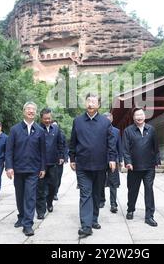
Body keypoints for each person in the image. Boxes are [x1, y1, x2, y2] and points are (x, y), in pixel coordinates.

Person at [69, 93, 117, 238]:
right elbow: (73, 141)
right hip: (82, 165)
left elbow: (111, 143)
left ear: (98, 105)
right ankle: (86, 226)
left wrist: (112, 159)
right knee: (85, 194)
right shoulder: (77, 121)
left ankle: (94, 219)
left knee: (96, 194)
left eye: (93, 101)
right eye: (88, 101)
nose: (90, 103)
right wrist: (72, 158)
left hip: (100, 165)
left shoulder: (105, 122)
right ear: (85, 103)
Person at [5, 102, 47, 236]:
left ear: (36, 113)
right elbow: (9, 150)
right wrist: (9, 167)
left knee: (30, 196)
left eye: (33, 109)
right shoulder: (15, 129)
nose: (31, 111)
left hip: (33, 170)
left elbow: (42, 152)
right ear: (24, 112)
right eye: (28, 109)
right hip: (18, 169)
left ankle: (28, 224)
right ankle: (22, 216)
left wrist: (42, 168)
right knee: (20, 195)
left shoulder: (40, 130)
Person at [123, 107, 161, 227]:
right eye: (136, 115)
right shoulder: (128, 131)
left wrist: (157, 161)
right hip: (134, 167)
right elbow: (125, 149)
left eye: (141, 114)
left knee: (149, 190)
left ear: (145, 116)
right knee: (133, 190)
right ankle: (130, 209)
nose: (139, 117)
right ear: (133, 118)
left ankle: (149, 216)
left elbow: (156, 147)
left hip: (149, 167)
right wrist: (128, 162)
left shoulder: (151, 129)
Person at [36, 109, 64, 219]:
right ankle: (40, 211)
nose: (47, 120)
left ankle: (50, 202)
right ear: (41, 118)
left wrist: (61, 156)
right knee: (40, 188)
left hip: (53, 163)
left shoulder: (56, 129)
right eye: (45, 119)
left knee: (53, 185)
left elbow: (60, 143)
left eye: (49, 118)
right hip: (40, 164)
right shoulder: (37, 129)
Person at [99, 112, 123, 213]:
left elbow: (119, 146)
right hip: (101, 160)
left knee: (113, 182)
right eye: (106, 120)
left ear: (112, 120)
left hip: (114, 160)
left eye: (109, 119)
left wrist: (120, 160)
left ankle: (113, 203)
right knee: (100, 181)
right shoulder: (99, 131)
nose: (108, 121)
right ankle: (101, 200)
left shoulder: (116, 131)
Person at [52, 120, 68, 201]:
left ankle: (55, 192)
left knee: (58, 177)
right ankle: (51, 193)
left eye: (55, 125)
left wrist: (64, 157)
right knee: (51, 178)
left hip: (59, 160)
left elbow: (65, 146)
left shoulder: (61, 134)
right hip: (51, 159)